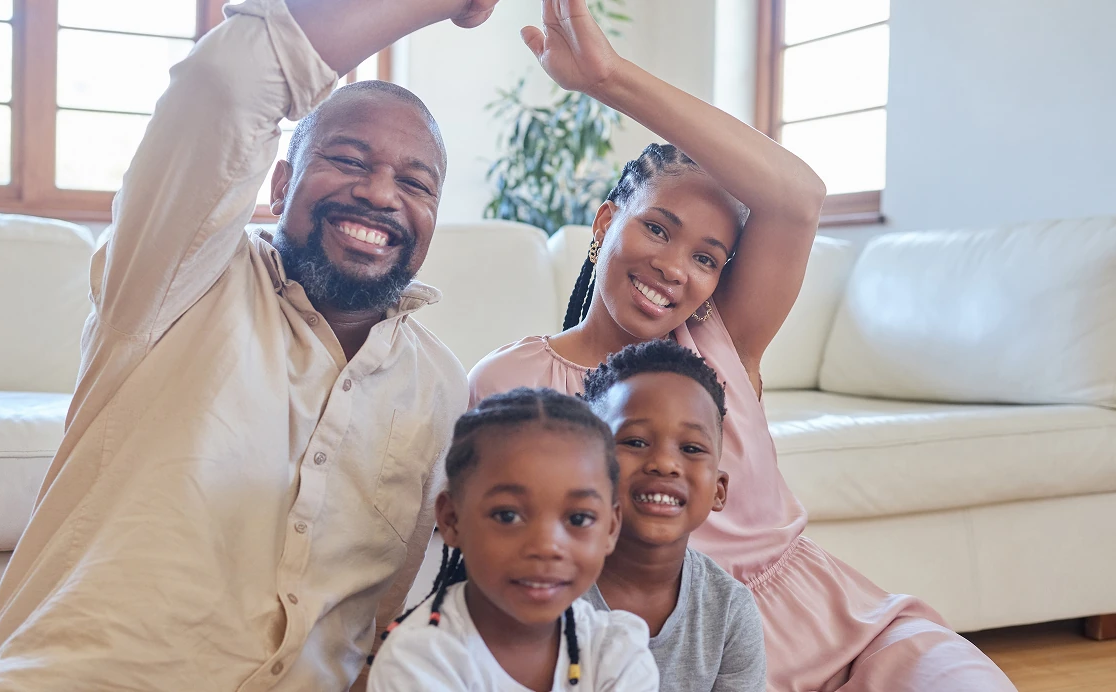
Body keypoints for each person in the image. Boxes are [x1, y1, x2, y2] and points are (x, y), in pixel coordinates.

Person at [0, 0, 505, 690]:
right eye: (347, 160)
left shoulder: (441, 385)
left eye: (414, 183)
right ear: (279, 185)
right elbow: (224, 86)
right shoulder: (179, 276)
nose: (379, 194)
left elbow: (373, 632)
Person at [470, 0, 1017, 689]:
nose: (675, 268)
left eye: (708, 257)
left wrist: (608, 78)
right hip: (672, 655)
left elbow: (798, 198)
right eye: (659, 230)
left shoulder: (719, 340)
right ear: (607, 221)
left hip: (844, 631)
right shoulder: (507, 379)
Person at [369, 389, 658, 691]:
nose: (547, 546)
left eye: (578, 519)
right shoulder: (417, 661)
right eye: (508, 516)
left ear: (611, 528)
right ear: (453, 519)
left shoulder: (617, 653)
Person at [579, 341, 766, 692]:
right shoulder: (544, 588)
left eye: (691, 448)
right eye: (634, 442)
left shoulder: (729, 611)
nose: (665, 463)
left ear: (718, 490)